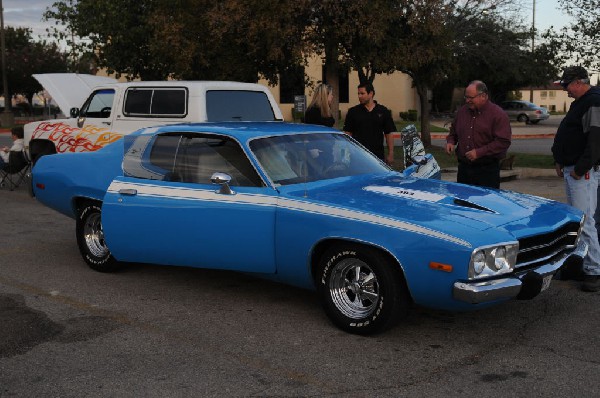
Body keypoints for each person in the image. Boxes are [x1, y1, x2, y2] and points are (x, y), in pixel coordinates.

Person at [551, 65, 600, 292]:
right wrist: (560, 159)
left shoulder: (593, 101)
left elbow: (595, 141)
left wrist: (580, 168)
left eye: (567, 85)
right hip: (574, 170)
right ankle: (578, 265)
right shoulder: (581, 102)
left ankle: (593, 271)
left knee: (585, 221)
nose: (566, 90)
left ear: (579, 82)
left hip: (583, 172)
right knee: (578, 221)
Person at [445, 80, 511, 189]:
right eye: (466, 97)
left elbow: (503, 142)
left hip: (487, 171)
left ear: (483, 96)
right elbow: (453, 131)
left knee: (484, 205)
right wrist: (450, 142)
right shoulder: (462, 112)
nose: (467, 100)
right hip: (464, 169)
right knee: (462, 203)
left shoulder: (498, 115)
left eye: (471, 98)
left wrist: (479, 152)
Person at [343, 82, 396, 165]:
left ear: (371, 93)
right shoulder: (353, 112)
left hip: (378, 156)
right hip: (357, 156)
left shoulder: (383, 111)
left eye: (362, 93)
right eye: (358, 93)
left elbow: (388, 133)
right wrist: (347, 153)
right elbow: (347, 133)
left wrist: (391, 153)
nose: (359, 96)